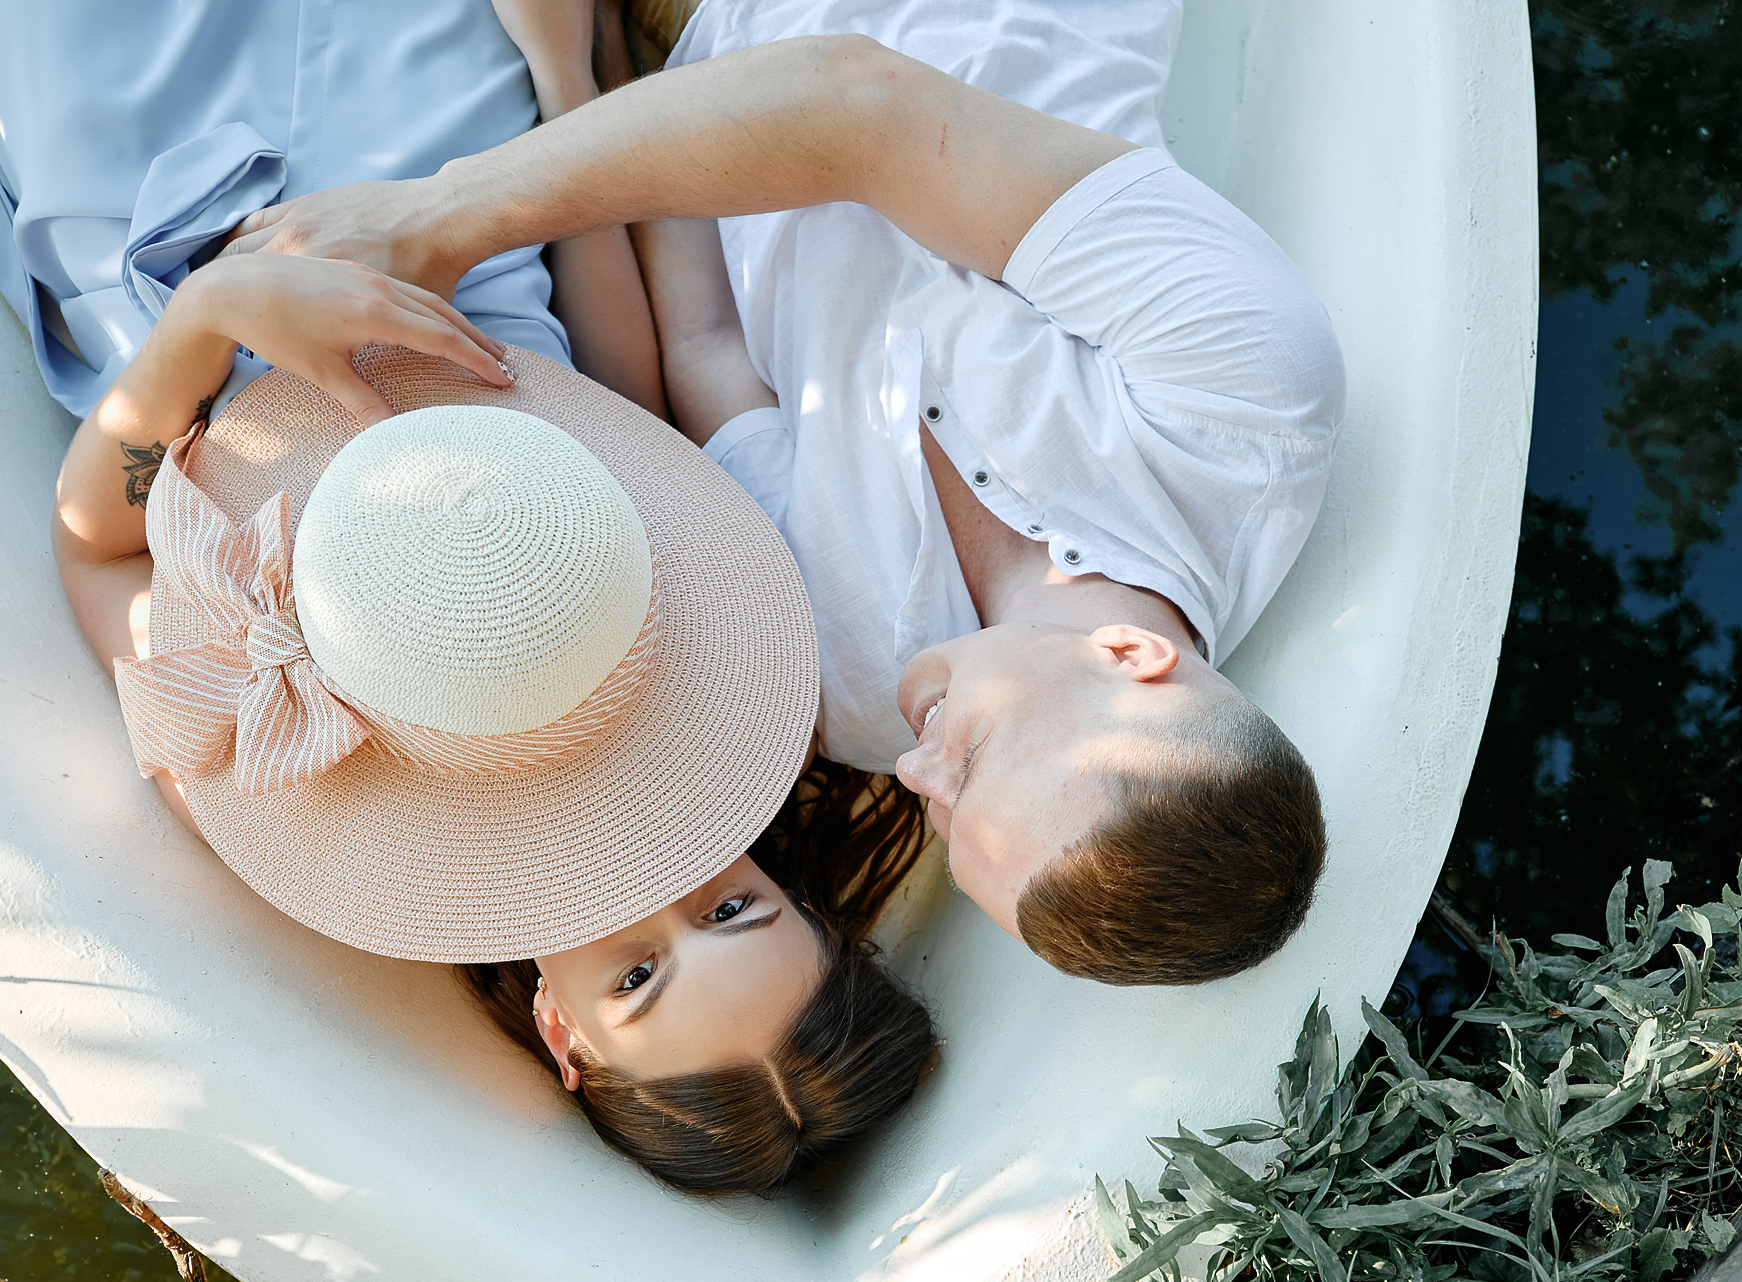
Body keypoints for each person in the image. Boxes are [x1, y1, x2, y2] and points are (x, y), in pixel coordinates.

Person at [0, 0, 939, 1196]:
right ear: (788, 892)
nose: (672, 895)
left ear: (563, 1034)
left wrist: (209, 317)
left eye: (638, 976)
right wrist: (557, 61)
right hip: (443, 188)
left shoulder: (305, 820)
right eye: (738, 910)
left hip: (177, 272)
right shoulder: (708, 682)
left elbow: (103, 552)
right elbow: (624, 392)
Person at [233, 0, 1346, 986]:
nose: (916, 766)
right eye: (974, 759)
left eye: (939, 810)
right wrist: (437, 220)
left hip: (681, 67)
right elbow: (860, 106)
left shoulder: (857, 696)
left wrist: (599, 74)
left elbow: (712, 352)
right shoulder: (1242, 409)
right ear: (1133, 662)